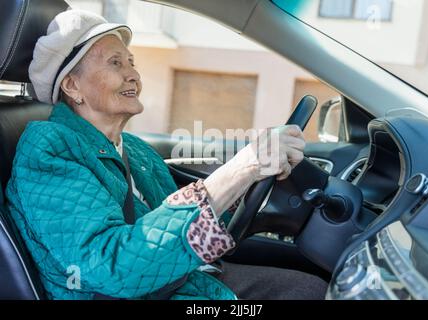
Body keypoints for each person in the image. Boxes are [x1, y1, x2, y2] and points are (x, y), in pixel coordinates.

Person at [6, 9, 327, 300]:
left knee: (312, 286)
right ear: (72, 86)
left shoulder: (133, 148)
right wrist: (243, 168)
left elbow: (180, 222)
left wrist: (259, 193)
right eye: (115, 63)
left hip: (182, 278)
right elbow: (110, 267)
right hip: (131, 292)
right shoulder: (49, 148)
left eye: (131, 62)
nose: (133, 74)